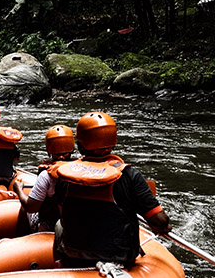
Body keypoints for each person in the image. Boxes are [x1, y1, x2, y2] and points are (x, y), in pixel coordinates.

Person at [49, 111, 172, 269]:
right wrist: (163, 226)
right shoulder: (129, 175)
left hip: (74, 254)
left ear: (79, 145)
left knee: (59, 225)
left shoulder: (65, 174)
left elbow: (63, 213)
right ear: (113, 141)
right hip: (119, 256)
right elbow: (159, 220)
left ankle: (61, 264)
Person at [14, 124, 76, 232]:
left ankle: (25, 238)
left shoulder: (46, 175)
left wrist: (19, 190)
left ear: (49, 150)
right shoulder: (81, 170)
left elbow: (31, 207)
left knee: (24, 208)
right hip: (74, 224)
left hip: (49, 226)